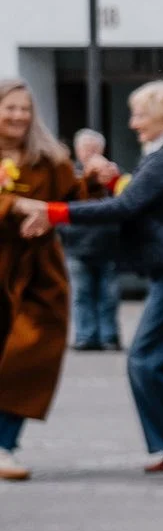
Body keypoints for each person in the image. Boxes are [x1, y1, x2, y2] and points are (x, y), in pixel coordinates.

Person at [13, 80, 163, 476]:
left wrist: (54, 211)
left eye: (140, 114)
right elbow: (141, 198)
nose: (133, 122)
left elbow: (126, 206)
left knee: (147, 360)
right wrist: (111, 180)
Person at [0, 80, 85, 482]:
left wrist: (100, 181)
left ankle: (4, 444)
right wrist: (13, 204)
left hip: (39, 276)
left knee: (29, 359)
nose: (18, 116)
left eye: (24, 109)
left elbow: (75, 196)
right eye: (9, 108)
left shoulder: (49, 159)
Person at [65, 128, 125, 352]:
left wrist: (114, 180)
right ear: (77, 150)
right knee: (81, 294)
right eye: (85, 147)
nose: (90, 152)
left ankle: (109, 336)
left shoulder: (115, 176)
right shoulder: (69, 177)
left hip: (108, 245)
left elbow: (126, 203)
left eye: (94, 148)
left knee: (108, 296)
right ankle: (85, 336)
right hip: (77, 245)